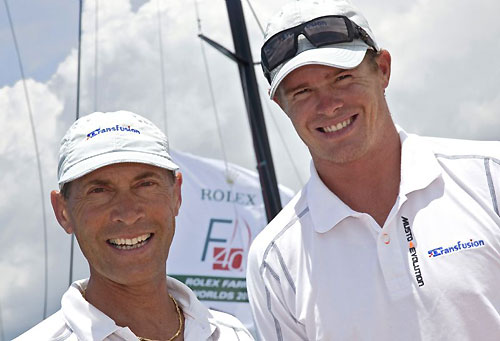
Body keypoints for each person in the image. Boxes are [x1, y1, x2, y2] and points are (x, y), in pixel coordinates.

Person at [246, 0, 500, 340]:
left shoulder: (491, 176)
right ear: (281, 104)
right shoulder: (274, 260)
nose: (329, 105)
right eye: (303, 91)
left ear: (383, 69)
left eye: (343, 77)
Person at [16, 111, 254, 340]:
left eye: (146, 185)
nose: (128, 213)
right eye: (98, 190)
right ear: (63, 211)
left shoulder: (233, 335)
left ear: (176, 195)